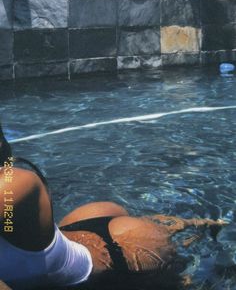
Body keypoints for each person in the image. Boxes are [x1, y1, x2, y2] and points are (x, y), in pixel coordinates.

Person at [0, 124, 225, 290]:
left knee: (191, 251)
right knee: (176, 231)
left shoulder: (13, 183)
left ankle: (213, 224)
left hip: (120, 257)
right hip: (81, 230)